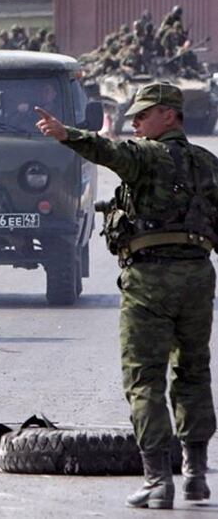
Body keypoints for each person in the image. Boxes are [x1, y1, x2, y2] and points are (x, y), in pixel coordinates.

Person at [35, 82, 217, 510]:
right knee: (193, 371)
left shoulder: (147, 156)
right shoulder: (208, 163)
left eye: (143, 115)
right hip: (197, 276)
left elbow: (109, 152)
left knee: (144, 378)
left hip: (150, 279)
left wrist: (67, 135)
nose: (134, 122)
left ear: (169, 116)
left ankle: (157, 478)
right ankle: (194, 473)